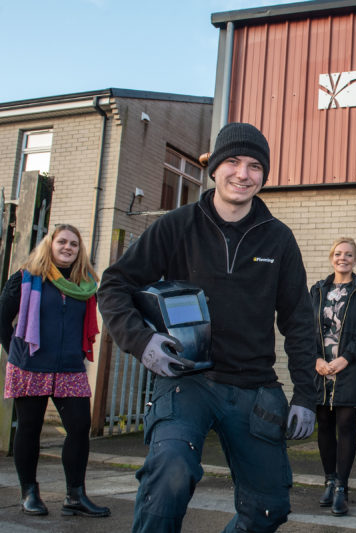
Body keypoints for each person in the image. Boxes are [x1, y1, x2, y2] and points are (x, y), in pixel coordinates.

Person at [97, 122, 318, 533]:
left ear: (263, 176)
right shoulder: (177, 226)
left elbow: (299, 322)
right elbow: (114, 285)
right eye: (232, 162)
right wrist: (142, 341)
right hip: (188, 381)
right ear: (213, 168)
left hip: (254, 386)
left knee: (269, 508)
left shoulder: (279, 240)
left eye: (254, 166)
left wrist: (306, 393)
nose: (242, 174)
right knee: (171, 474)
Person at [0, 224, 110, 518]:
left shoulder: (85, 285)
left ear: (79, 250)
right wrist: (17, 353)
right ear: (50, 244)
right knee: (29, 429)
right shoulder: (25, 279)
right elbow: (2, 319)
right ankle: (30, 493)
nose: (68, 248)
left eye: (74, 244)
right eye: (62, 242)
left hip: (70, 368)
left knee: (78, 428)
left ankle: (75, 496)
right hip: (31, 366)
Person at [310, 237, 356, 516]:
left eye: (349, 254)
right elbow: (305, 327)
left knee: (346, 424)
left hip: (350, 368)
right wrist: (316, 358)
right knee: (324, 425)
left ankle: (342, 487)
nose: (343, 258)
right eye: (338, 254)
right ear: (331, 258)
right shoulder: (317, 290)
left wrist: (345, 358)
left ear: (355, 259)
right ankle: (328, 480)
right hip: (320, 370)